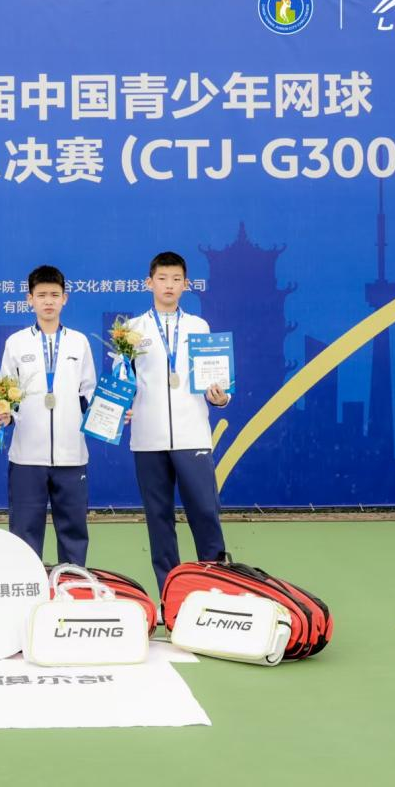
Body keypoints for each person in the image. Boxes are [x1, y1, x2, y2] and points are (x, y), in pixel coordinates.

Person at [125, 251, 231, 592]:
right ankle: (169, 595)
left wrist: (221, 398)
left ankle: (217, 589)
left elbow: (215, 383)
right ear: (149, 283)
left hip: (192, 435)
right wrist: (119, 406)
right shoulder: (132, 330)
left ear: (186, 284)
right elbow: (121, 380)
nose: (168, 285)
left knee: (205, 513)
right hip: (148, 439)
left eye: (176, 279)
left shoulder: (199, 327)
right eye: (162, 279)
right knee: (159, 520)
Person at [0, 265, 96, 565]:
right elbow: (6, 392)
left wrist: (111, 412)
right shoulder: (16, 343)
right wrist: (6, 414)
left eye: (54, 294)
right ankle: (27, 588)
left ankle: (73, 584)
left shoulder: (79, 342)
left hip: (71, 455)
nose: (48, 301)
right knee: (24, 534)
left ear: (65, 298)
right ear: (30, 299)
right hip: (27, 457)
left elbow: (89, 392)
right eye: (41, 295)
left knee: (74, 531)